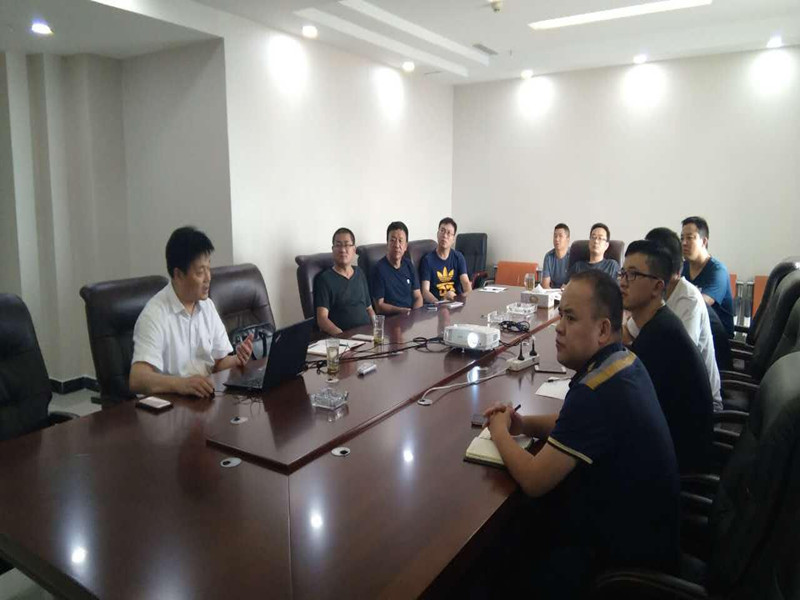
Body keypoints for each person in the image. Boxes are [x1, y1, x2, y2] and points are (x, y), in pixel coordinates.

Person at [484, 270, 679, 596]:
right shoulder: (623, 361)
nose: (558, 327)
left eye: (571, 318)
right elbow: (571, 424)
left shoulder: (595, 391)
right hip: (648, 533)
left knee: (504, 552)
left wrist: (500, 431)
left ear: (602, 329)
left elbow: (533, 479)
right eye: (561, 314)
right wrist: (523, 424)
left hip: (624, 560)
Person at [619, 240, 714, 473]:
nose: (623, 281)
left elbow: (627, 411)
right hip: (667, 445)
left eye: (633, 275)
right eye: (623, 273)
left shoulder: (660, 337)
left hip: (676, 463)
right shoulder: (658, 322)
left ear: (657, 287)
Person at [130, 226, 253, 398]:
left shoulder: (207, 306)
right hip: (170, 405)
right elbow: (137, 379)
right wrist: (181, 384)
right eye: (200, 272)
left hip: (203, 399)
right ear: (178, 275)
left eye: (209, 268)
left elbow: (218, 363)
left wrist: (236, 360)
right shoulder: (154, 315)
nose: (208, 278)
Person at [645, 227, 723, 412]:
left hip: (698, 402)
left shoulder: (689, 299)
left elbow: (680, 359)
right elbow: (628, 333)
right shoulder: (656, 293)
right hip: (669, 389)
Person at [680, 216, 734, 337]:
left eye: (690, 238)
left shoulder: (718, 271)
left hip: (716, 339)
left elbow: (697, 305)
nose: (684, 243)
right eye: (682, 238)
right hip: (692, 332)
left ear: (704, 241)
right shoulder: (682, 268)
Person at [314, 227, 374, 335]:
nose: (342, 250)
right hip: (344, 338)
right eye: (338, 245)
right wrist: (342, 335)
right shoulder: (325, 279)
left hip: (367, 335)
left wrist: (377, 328)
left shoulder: (360, 273)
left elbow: (369, 309)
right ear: (333, 249)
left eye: (347, 245)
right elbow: (322, 319)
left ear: (354, 249)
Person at [371, 221, 423, 314]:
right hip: (392, 318)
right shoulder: (379, 269)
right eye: (393, 240)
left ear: (406, 246)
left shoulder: (409, 265)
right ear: (387, 244)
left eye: (400, 241)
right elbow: (379, 306)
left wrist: (414, 315)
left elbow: (418, 297)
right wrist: (401, 311)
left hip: (410, 316)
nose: (397, 245)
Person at [420, 217, 472, 302]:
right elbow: (425, 291)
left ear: (453, 239)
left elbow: (466, 283)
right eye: (442, 231)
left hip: (456, 302)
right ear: (437, 234)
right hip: (437, 304)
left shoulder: (458, 257)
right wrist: (439, 303)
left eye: (449, 233)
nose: (444, 236)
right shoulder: (427, 260)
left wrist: (466, 298)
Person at [541, 223, 570, 289]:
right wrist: (555, 294)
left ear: (567, 239)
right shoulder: (548, 257)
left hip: (569, 293)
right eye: (555, 236)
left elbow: (576, 284)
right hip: (552, 293)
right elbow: (545, 285)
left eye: (560, 236)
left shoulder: (574, 256)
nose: (557, 239)